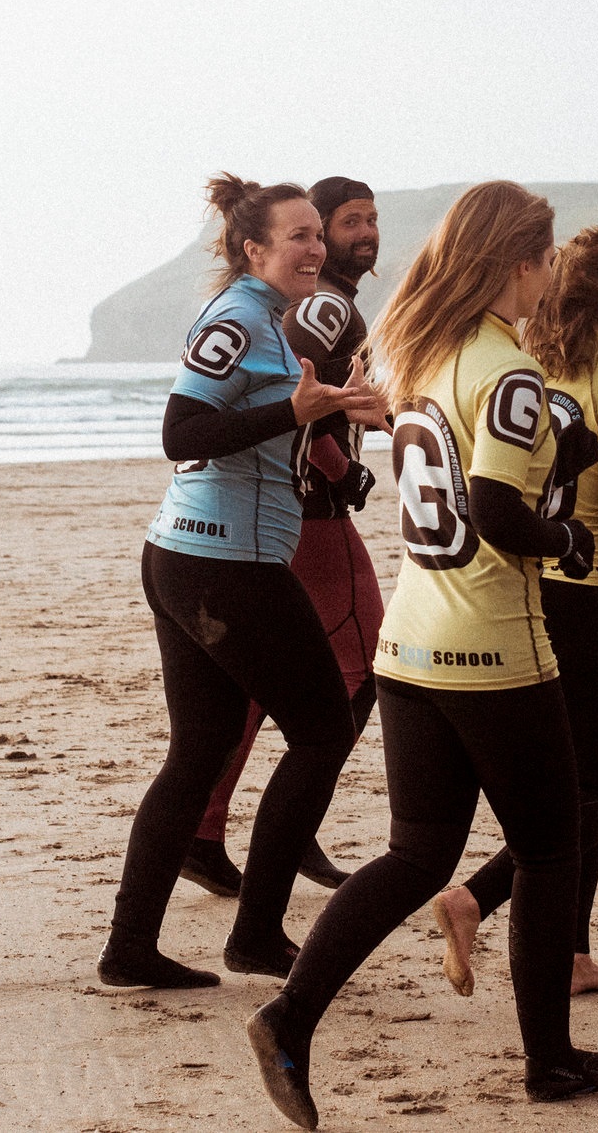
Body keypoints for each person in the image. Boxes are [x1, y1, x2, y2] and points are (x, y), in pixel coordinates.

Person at [248, 181, 598, 1129]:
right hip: (494, 646)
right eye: (543, 258)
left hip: (409, 642)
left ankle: (290, 1016)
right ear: (517, 261)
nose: (550, 275)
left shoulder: (421, 351)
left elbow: (476, 475)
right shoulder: (502, 366)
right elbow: (502, 512)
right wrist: (571, 541)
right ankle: (549, 1060)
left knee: (419, 852)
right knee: (553, 846)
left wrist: (567, 445)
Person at [100, 176, 388, 990]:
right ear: (253, 249)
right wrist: (295, 416)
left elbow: (284, 415)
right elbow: (180, 430)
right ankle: (257, 934)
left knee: (199, 750)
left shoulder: (275, 322)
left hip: (204, 556)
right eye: (298, 235)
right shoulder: (237, 316)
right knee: (324, 731)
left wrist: (337, 409)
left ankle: (129, 949)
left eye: (316, 236)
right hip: (219, 561)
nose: (315, 247)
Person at [434, 227, 598, 999]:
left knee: (576, 782)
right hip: (590, 594)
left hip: (529, 589)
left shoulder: (534, 368)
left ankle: (570, 954)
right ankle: (475, 899)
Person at [181, 176, 386, 900]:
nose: (362, 233)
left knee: (260, 682)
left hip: (280, 512)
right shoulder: (326, 303)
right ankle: (287, 823)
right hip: (309, 512)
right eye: (346, 222)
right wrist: (337, 463)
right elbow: (288, 392)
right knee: (361, 662)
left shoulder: (306, 298)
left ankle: (208, 830)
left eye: (370, 219)